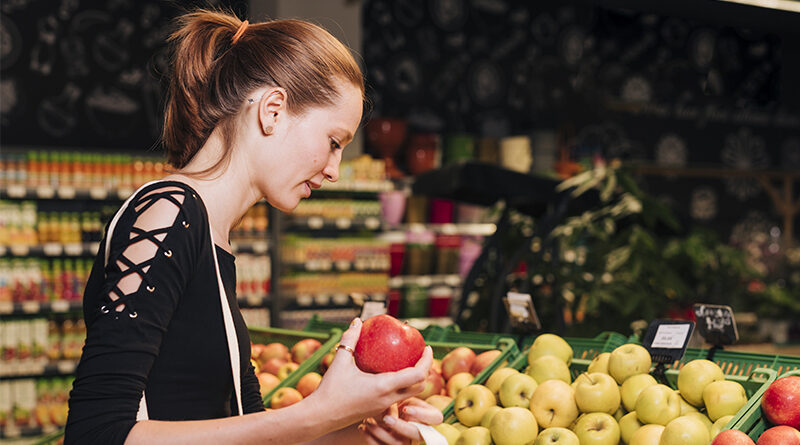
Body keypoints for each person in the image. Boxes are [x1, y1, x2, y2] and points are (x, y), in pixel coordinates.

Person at [64, 9, 442, 445]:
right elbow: (96, 434)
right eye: (334, 142)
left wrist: (364, 434)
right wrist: (320, 412)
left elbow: (248, 429)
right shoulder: (169, 212)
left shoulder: (213, 234)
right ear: (273, 110)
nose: (335, 169)